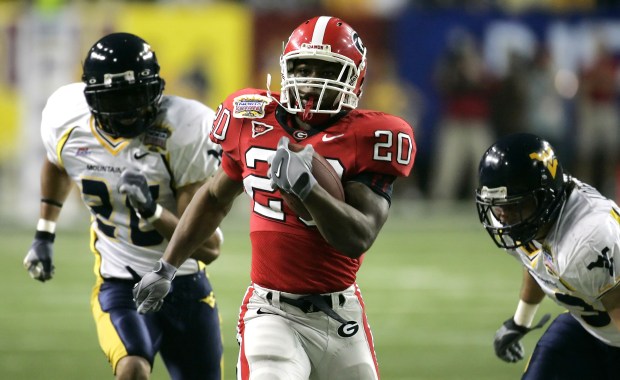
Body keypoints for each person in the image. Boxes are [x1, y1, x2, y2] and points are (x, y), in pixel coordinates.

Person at [133, 16, 416, 379]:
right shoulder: (251, 116)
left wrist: (309, 192)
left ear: (355, 78)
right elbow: (214, 197)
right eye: (302, 66)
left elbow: (358, 237)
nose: (311, 79)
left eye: (325, 69)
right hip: (271, 311)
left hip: (341, 312)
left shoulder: (370, 135)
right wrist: (167, 267)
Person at [23, 32, 224, 380]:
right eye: (116, 99)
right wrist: (44, 233)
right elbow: (57, 164)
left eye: (137, 94)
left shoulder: (184, 129)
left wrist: (152, 212)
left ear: (156, 89)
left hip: (185, 285)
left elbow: (208, 248)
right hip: (120, 282)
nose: (129, 111)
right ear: (91, 98)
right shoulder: (68, 121)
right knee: (131, 369)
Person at [475, 132, 620, 379]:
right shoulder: (535, 216)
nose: (502, 217)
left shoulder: (590, 240)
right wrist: (521, 320)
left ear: (544, 198)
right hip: (587, 327)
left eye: (512, 206)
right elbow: (537, 261)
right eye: (498, 206)